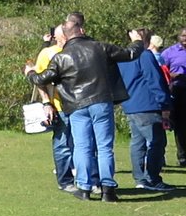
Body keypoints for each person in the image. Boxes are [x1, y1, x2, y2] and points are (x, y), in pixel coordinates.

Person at [25, 12, 147, 202]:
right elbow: (129, 54)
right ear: (82, 30)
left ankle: (84, 188)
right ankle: (107, 189)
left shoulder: (61, 57)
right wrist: (138, 41)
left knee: (82, 147)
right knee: (104, 146)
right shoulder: (100, 47)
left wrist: (30, 73)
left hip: (75, 106)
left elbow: (42, 79)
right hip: (100, 101)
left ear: (65, 36)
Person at [116, 32, 172, 191]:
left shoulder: (125, 56)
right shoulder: (145, 56)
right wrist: (165, 104)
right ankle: (152, 178)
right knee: (157, 141)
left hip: (131, 104)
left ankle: (140, 178)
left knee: (138, 143)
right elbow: (155, 80)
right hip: (146, 104)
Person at [30, 23, 76, 194]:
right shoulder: (47, 53)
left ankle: (87, 179)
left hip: (80, 105)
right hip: (59, 106)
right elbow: (39, 79)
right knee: (62, 143)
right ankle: (65, 180)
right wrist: (46, 103)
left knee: (83, 143)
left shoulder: (78, 50)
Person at [158, 28, 186, 166]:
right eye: (183, 35)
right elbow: (161, 71)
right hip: (177, 90)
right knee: (178, 124)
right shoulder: (170, 52)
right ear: (178, 37)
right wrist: (173, 75)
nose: (185, 38)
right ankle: (181, 157)